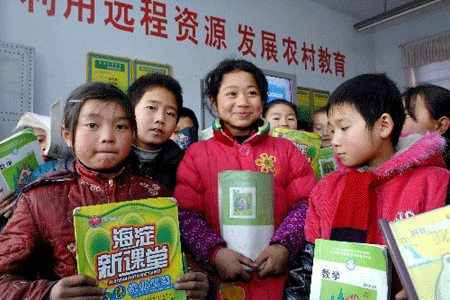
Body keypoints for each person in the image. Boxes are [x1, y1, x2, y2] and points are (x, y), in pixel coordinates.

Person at [0, 82, 209, 300]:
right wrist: (49, 293)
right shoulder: (39, 199)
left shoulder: (157, 194)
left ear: (133, 134)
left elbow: (181, 263)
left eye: (121, 127)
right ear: (67, 134)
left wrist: (198, 284)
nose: (108, 136)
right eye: (92, 125)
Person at [174, 59, 318, 300]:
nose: (242, 102)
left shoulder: (287, 150)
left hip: (280, 284)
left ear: (262, 100)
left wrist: (284, 246)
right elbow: (187, 215)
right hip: (220, 286)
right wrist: (214, 253)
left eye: (252, 93)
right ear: (213, 101)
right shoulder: (197, 154)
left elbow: (307, 204)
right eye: (231, 93)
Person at [304, 73, 450, 297]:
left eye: (344, 128)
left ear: (383, 126)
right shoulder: (327, 188)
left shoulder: (436, 183)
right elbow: (308, 265)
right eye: (332, 131)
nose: (334, 140)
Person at [127, 72, 185, 192]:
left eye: (170, 113)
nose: (160, 119)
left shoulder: (183, 165)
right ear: (130, 111)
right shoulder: (111, 157)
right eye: (151, 108)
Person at [402, 84, 450, 169]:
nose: (395, 122)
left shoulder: (442, 177)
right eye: (395, 116)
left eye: (407, 116)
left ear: (441, 125)